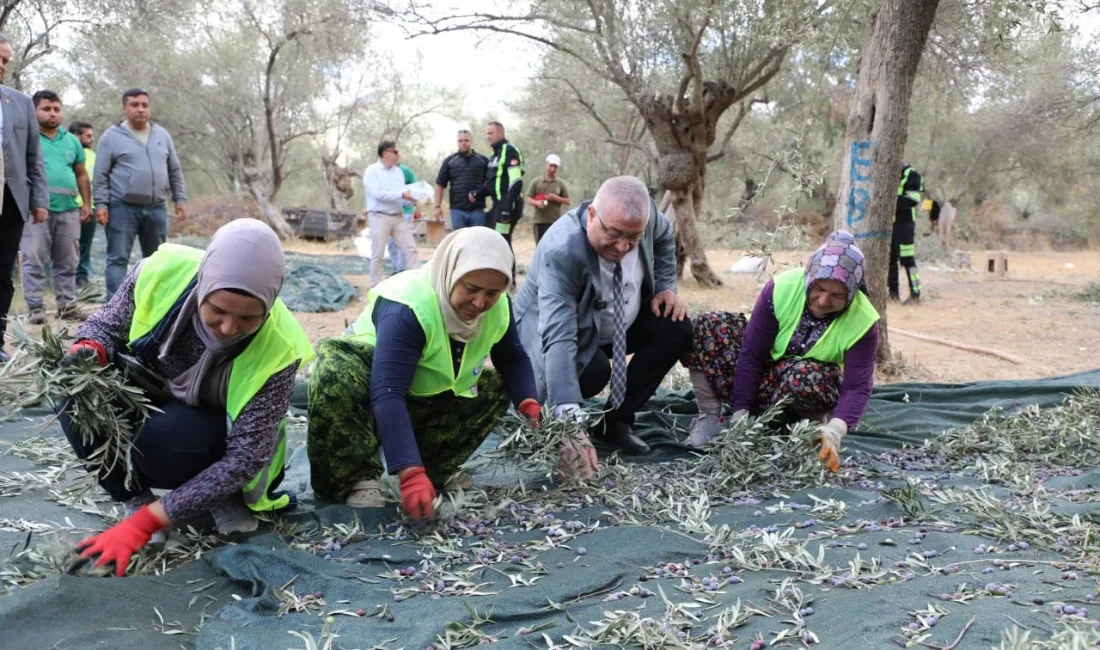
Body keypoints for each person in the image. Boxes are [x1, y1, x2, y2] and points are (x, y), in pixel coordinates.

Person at [61, 219, 314, 576]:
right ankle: (135, 498)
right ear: (203, 286)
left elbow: (245, 457)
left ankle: (221, 498)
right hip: (151, 391)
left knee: (166, 440)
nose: (228, 329)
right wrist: (90, 349)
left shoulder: (279, 347)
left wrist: (148, 525)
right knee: (75, 392)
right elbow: (104, 326)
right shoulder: (160, 275)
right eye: (217, 311)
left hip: (211, 430)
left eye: (248, 318)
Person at [308, 227, 582, 519]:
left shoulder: (498, 307)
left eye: (492, 293)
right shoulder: (409, 306)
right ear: (452, 273)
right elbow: (387, 392)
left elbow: (513, 360)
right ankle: (356, 475)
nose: (480, 303)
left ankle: (435, 467)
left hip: (423, 392)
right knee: (334, 371)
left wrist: (530, 405)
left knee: (497, 386)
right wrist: (409, 471)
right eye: (471, 288)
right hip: (369, 382)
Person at [514, 176, 692, 456]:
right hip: (559, 328)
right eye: (614, 234)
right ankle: (559, 416)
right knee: (592, 374)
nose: (622, 247)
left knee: (675, 326)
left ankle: (616, 422)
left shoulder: (649, 220)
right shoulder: (561, 250)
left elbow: (664, 236)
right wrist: (568, 425)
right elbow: (559, 338)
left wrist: (666, 286)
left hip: (620, 323)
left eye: (633, 238)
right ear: (592, 215)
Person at [682, 231, 880, 473]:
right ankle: (712, 418)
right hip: (763, 373)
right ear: (809, 278)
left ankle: (805, 430)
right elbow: (751, 354)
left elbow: (857, 386)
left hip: (805, 385)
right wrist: (740, 413)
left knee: (805, 374)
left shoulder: (864, 320)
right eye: (818, 288)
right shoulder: (782, 288)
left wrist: (836, 430)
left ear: (852, 292)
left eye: (837, 295)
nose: (823, 301)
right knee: (707, 325)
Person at [95, 88, 188, 300]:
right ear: (124, 108)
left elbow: (174, 169)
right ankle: (115, 308)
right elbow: (100, 174)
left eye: (144, 105)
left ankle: (153, 304)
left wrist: (180, 199)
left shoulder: (161, 135)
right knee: (118, 258)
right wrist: (100, 204)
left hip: (156, 208)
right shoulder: (111, 137)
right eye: (134, 105)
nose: (140, 109)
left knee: (157, 259)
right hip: (122, 208)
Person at [20, 91, 92, 325]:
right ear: (34, 111)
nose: (52, 113)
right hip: (36, 210)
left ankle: (66, 307)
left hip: (69, 210)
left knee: (68, 260)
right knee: (34, 256)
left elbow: (81, 173)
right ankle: (35, 307)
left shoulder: (71, 140)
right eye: (46, 109)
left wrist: (87, 203)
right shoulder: (26, 137)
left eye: (57, 109)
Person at [0, 34, 50, 363]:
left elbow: (34, 154)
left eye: (6, 61)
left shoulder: (19, 102)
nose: (2, 66)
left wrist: (39, 198)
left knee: (3, 273)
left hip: (10, 200)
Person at [363, 140, 418, 287]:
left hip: (398, 216)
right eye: (395, 152)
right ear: (385, 153)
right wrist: (402, 194)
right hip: (379, 216)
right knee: (378, 253)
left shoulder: (398, 172)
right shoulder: (371, 171)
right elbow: (378, 194)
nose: (397, 155)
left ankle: (414, 283)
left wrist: (414, 200)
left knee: (410, 248)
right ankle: (375, 285)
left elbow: (400, 197)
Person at [472, 121, 524, 248]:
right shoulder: (494, 154)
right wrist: (477, 194)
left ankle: (509, 268)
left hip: (509, 204)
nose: (488, 136)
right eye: (487, 133)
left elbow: (516, 181)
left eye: (491, 133)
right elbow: (492, 184)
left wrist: (507, 205)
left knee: (502, 240)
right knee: (487, 234)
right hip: (498, 204)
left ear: (500, 133)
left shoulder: (509, 150)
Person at [434, 129, 488, 230]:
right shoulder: (450, 161)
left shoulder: (483, 161)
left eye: (466, 140)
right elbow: (440, 184)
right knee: (459, 241)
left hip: (477, 210)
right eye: (460, 141)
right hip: (457, 210)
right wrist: (437, 207)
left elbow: (491, 183)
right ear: (457, 142)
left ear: (471, 141)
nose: (463, 143)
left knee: (477, 241)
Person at [70, 120, 100, 288]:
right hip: (71, 207)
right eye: (88, 136)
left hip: (91, 208)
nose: (92, 139)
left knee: (85, 246)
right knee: (68, 246)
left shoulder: (94, 156)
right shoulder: (68, 153)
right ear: (76, 136)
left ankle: (82, 277)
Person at [889, 164, 923, 304]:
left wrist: (890, 199)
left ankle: (915, 293)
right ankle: (893, 295)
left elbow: (913, 200)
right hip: (889, 225)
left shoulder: (911, 174)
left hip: (905, 225)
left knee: (908, 260)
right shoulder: (887, 171)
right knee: (890, 261)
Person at [526, 154, 571, 245]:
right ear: (546, 165)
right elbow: (529, 199)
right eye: (551, 166)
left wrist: (556, 198)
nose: (553, 169)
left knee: (554, 246)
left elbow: (568, 201)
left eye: (555, 167)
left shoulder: (560, 183)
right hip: (539, 221)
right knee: (540, 246)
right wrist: (537, 203)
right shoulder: (536, 182)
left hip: (554, 221)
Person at [387, 162, 419, 273]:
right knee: (391, 242)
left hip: (406, 211)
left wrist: (417, 206)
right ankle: (395, 266)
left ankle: (402, 268)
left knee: (404, 241)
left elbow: (416, 190)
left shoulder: (406, 171)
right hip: (390, 211)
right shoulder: (384, 173)